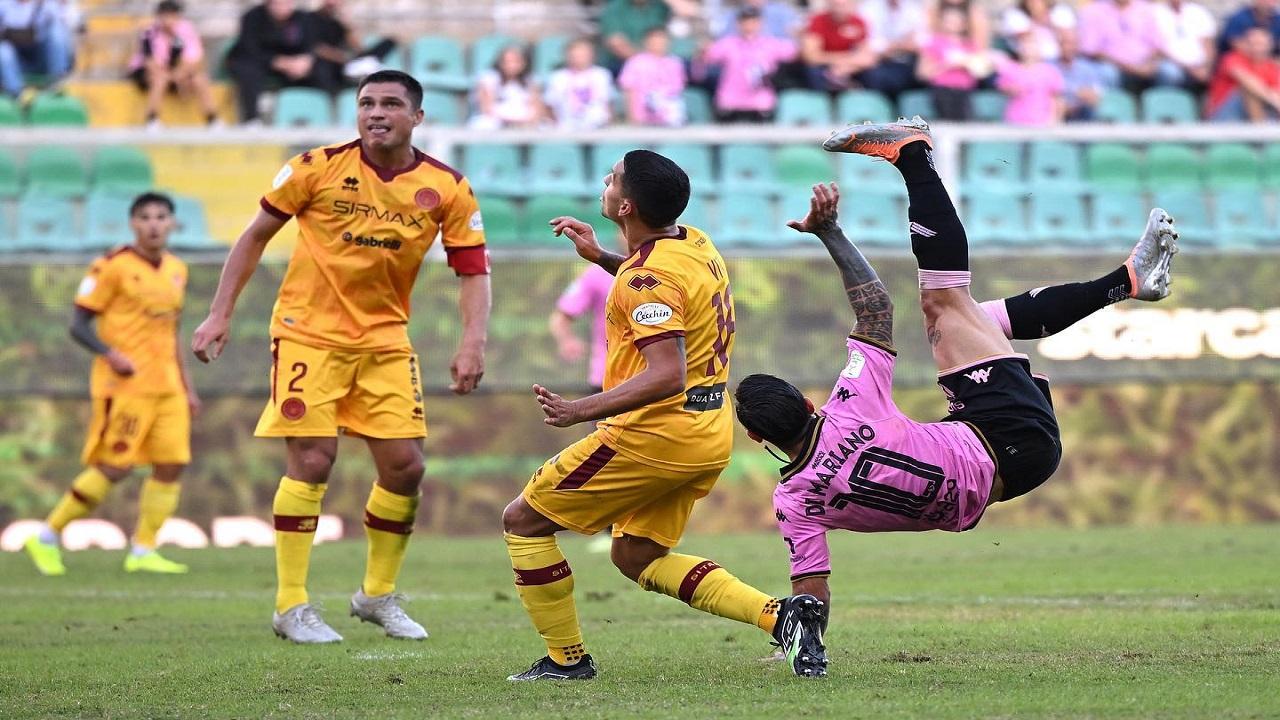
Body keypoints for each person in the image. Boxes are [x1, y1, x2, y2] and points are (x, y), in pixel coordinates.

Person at [736, 118, 1179, 617]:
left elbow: (810, 584)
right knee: (945, 304)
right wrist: (830, 233)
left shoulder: (794, 500)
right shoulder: (847, 407)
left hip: (1015, 471)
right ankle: (913, 153)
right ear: (807, 402)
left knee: (977, 321)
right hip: (1003, 434)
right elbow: (877, 306)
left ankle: (1127, 283)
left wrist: (802, 640)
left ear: (756, 437)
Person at [499, 149, 827, 681]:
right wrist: (604, 257)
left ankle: (566, 661)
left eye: (613, 179)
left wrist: (575, 409)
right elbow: (664, 289)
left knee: (523, 521)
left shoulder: (644, 279)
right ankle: (783, 616)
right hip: (706, 433)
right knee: (635, 556)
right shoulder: (694, 242)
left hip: (650, 437)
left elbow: (664, 374)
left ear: (625, 205)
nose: (605, 182)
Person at [190, 70, 491, 644]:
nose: (377, 113)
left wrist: (472, 341)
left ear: (417, 117)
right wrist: (219, 312)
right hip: (307, 333)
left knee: (406, 468)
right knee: (313, 460)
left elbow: (473, 270)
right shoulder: (315, 168)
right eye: (366, 103)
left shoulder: (447, 187)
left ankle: (376, 596)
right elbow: (254, 236)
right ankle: (290, 604)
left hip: (384, 340)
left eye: (391, 104)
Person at [24, 192, 200, 577]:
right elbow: (78, 325)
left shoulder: (176, 269)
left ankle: (143, 550)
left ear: (172, 224)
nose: (154, 224)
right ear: (133, 224)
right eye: (145, 217)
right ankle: (47, 536)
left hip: (167, 384)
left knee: (171, 464)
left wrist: (187, 387)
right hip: (125, 387)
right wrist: (109, 353)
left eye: (161, 217)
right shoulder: (112, 267)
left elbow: (172, 333)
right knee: (114, 467)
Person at [225, 0, 336, 125]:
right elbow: (250, 48)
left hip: (294, 64)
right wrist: (278, 62)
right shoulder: (253, 17)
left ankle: (326, 113)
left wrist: (306, 60)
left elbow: (312, 44)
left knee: (322, 69)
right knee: (248, 70)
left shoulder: (303, 18)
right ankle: (252, 119)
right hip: (262, 62)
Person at [127, 0, 220, 130]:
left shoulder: (186, 31)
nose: (167, 20)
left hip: (176, 72)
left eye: (171, 16)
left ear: (178, 16)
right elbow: (150, 63)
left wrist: (180, 74)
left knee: (200, 79)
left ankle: (213, 120)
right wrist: (172, 76)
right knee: (160, 79)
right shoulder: (148, 32)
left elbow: (194, 58)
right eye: (164, 16)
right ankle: (152, 119)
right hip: (148, 72)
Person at [701, 7, 797, 122]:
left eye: (753, 21)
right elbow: (706, 58)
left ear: (760, 23)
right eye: (745, 21)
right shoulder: (727, 44)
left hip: (761, 104)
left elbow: (795, 54)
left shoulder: (771, 44)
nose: (749, 25)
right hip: (730, 102)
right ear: (738, 23)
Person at [550, 258, 615, 394]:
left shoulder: (665, 265)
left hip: (657, 378)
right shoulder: (598, 272)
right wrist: (567, 341)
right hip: (607, 378)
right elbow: (560, 318)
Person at [306, 0, 398, 89]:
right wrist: (345, 58)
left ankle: (368, 64)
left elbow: (358, 47)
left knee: (389, 42)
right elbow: (316, 47)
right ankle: (368, 64)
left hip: (351, 60)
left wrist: (347, 23)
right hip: (333, 64)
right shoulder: (311, 18)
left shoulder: (337, 21)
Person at [917, 7, 987, 120]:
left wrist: (968, 64)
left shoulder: (970, 45)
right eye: (949, 21)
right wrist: (947, 65)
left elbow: (982, 71)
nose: (953, 24)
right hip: (943, 91)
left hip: (965, 92)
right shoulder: (934, 43)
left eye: (957, 21)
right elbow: (923, 73)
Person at [0, 0, 74, 98]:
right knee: (4, 50)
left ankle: (57, 84)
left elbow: (67, 21)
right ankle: (17, 95)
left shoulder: (47, 4)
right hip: (13, 62)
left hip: (41, 59)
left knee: (56, 30)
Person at [801, 0, 880, 92]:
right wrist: (844, 60)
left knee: (873, 75)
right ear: (828, 4)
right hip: (824, 66)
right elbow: (810, 57)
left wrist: (846, 68)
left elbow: (868, 59)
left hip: (847, 66)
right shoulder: (817, 21)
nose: (839, 9)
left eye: (843, 4)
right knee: (813, 73)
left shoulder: (859, 22)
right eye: (836, 4)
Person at [1206, 27, 1280, 122]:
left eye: (1261, 44)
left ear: (1270, 45)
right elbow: (1246, 80)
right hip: (1223, 117)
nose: (1257, 48)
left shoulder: (1271, 66)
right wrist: (1274, 101)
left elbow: (1276, 90)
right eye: (1252, 44)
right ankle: (1261, 133)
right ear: (1245, 44)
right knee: (1249, 90)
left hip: (1257, 115)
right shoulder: (1232, 58)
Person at [617, 26, 687, 126]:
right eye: (655, 40)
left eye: (662, 39)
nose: (659, 43)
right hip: (642, 120)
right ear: (646, 42)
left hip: (670, 119)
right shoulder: (635, 62)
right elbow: (628, 91)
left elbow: (677, 93)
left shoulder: (675, 63)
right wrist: (632, 118)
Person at [468, 44, 546, 130]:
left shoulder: (531, 80)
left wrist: (525, 120)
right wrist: (508, 119)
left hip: (524, 120)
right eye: (507, 61)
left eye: (516, 61)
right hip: (496, 120)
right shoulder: (488, 78)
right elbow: (486, 108)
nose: (511, 65)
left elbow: (537, 108)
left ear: (523, 63)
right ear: (501, 62)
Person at [543, 38, 615, 130]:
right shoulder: (558, 77)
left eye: (583, 55)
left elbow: (608, 102)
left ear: (592, 55)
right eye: (575, 55)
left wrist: (608, 121)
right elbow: (550, 105)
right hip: (566, 126)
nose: (579, 58)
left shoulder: (602, 75)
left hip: (598, 125)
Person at [996, 31, 1066, 125]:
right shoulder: (1010, 68)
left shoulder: (1050, 71)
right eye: (1025, 44)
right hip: (1015, 121)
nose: (1028, 48)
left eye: (1032, 44)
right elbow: (1002, 88)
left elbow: (1056, 98)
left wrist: (1055, 119)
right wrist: (1011, 90)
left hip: (1042, 122)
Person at [1153, 0, 1216, 90]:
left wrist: (1207, 67)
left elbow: (1208, 44)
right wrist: (1190, 69)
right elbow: (1160, 49)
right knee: (1170, 73)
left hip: (1199, 65)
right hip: (1172, 62)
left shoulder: (1198, 11)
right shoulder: (1157, 13)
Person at [1056, 24, 1115, 120]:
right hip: (1058, 114)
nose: (1069, 47)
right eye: (1065, 43)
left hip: (1083, 113)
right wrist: (1077, 93)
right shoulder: (1050, 67)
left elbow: (1095, 96)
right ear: (1059, 44)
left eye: (1072, 43)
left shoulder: (1087, 68)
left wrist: (1079, 97)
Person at [600, 0, 673, 73]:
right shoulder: (614, 8)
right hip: (622, 63)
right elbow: (616, 43)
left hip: (659, 61)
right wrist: (646, 61)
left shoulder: (660, 6)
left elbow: (683, 12)